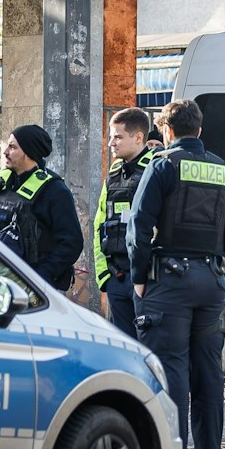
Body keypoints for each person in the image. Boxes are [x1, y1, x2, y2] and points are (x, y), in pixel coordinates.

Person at [128, 99, 225, 449]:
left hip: (169, 281)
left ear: (166, 130)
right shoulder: (223, 172)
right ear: (199, 130)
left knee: (172, 371)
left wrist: (139, 275)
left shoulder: (162, 165)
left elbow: (139, 225)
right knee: (209, 373)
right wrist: (220, 270)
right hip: (210, 282)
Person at [0, 124, 82, 291]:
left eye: (12, 147)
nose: (5, 151)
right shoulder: (2, 181)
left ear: (29, 153)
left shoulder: (54, 190)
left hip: (36, 287)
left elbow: (72, 243)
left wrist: (39, 276)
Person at [91, 108, 159, 338]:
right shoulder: (114, 172)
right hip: (117, 275)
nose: (111, 142)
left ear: (138, 137)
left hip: (149, 278)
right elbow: (100, 220)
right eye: (111, 136)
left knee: (149, 345)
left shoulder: (157, 167)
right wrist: (104, 275)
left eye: (118, 136)